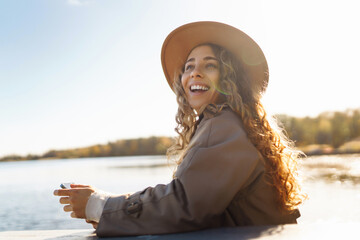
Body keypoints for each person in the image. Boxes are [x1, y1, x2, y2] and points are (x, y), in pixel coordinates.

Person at [54, 21, 306, 237]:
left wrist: (98, 205)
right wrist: (112, 208)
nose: (194, 73)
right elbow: (199, 202)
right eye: (188, 67)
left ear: (229, 78)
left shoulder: (224, 125)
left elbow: (183, 204)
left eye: (209, 65)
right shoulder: (232, 122)